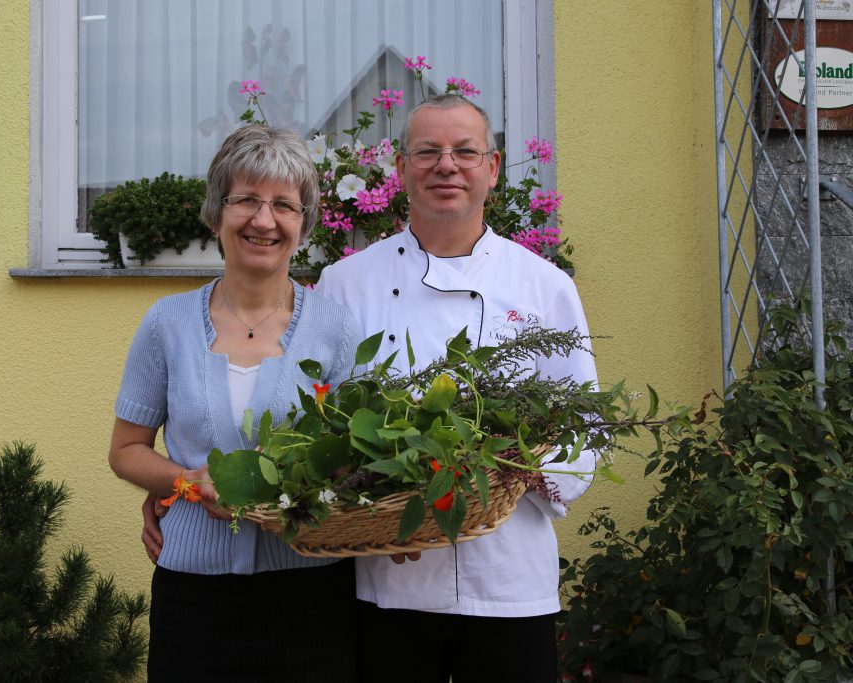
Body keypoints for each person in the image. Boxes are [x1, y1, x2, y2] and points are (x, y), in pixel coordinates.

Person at [142, 95, 597, 682]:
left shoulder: (546, 287)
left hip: (507, 575)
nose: (446, 166)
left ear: (494, 167)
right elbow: (312, 425)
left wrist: (509, 473)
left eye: (465, 151)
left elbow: (585, 430)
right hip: (384, 583)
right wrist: (180, 483)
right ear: (402, 168)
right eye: (427, 151)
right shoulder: (346, 283)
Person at [110, 124, 362, 683]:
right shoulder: (168, 324)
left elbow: (354, 464)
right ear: (217, 212)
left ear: (305, 222)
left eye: (284, 205)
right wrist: (185, 483)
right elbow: (127, 451)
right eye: (246, 199)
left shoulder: (338, 330)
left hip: (310, 590)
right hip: (195, 595)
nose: (264, 220)